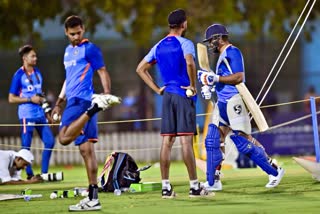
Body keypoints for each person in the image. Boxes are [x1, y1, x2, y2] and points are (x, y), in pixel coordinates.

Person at [197, 24, 285, 191]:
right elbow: (222, 79)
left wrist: (214, 79)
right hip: (222, 103)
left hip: (234, 102)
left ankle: (274, 170)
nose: (209, 44)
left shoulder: (233, 52)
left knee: (243, 141)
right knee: (213, 141)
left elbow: (238, 77)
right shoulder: (222, 55)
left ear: (219, 38)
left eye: (211, 40)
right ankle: (213, 181)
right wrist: (210, 87)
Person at [136, 9, 213, 198]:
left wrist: (157, 89)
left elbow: (140, 69)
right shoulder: (185, 43)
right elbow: (189, 63)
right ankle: (195, 187)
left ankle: (165, 187)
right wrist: (193, 86)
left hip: (168, 95)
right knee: (186, 140)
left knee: (167, 141)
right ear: (184, 24)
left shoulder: (159, 45)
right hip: (183, 94)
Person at [50, 15, 121, 211]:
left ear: (83, 29)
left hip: (80, 102)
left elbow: (103, 72)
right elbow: (68, 79)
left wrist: (106, 95)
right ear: (66, 32)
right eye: (72, 34)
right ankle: (93, 198)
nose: (76, 36)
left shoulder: (89, 48)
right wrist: (58, 102)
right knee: (87, 151)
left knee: (63, 138)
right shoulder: (67, 52)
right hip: (75, 101)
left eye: (79, 32)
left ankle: (93, 110)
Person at [8, 45, 55, 180]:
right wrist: (30, 99)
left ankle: (44, 174)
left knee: (50, 141)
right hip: (26, 114)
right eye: (32, 56)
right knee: (26, 147)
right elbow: (11, 98)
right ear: (24, 58)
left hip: (40, 114)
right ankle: (29, 175)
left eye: (35, 56)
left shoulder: (37, 72)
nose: (36, 58)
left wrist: (47, 113)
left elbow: (40, 95)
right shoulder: (18, 75)